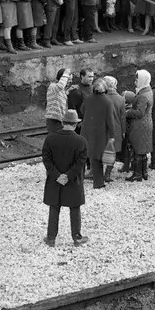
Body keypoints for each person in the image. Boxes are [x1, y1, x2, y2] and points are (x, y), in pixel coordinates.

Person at [42, 109, 89, 247]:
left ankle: (51, 238)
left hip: (54, 180)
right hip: (73, 181)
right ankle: (77, 237)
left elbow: (46, 159)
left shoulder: (50, 139)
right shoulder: (81, 141)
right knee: (74, 208)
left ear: (63, 122)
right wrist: (68, 176)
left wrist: (57, 176)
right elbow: (80, 163)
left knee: (54, 207)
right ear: (75, 124)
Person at [80, 77, 117, 189]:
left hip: (86, 130)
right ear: (105, 88)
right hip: (100, 132)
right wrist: (112, 135)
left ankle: (79, 181)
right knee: (97, 158)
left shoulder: (87, 98)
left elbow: (82, 110)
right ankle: (98, 182)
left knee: (83, 155)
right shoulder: (107, 101)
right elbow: (110, 120)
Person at [125, 69, 154, 182]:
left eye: (137, 80)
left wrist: (127, 112)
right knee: (143, 150)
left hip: (140, 125)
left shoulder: (142, 95)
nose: (135, 82)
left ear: (142, 80)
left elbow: (139, 112)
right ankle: (144, 172)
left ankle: (137, 174)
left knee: (137, 149)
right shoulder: (148, 91)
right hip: (146, 123)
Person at [45, 67, 72, 133]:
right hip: (53, 120)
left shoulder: (60, 89)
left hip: (60, 120)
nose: (70, 81)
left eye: (71, 79)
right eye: (68, 79)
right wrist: (66, 74)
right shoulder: (53, 86)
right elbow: (60, 86)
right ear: (62, 78)